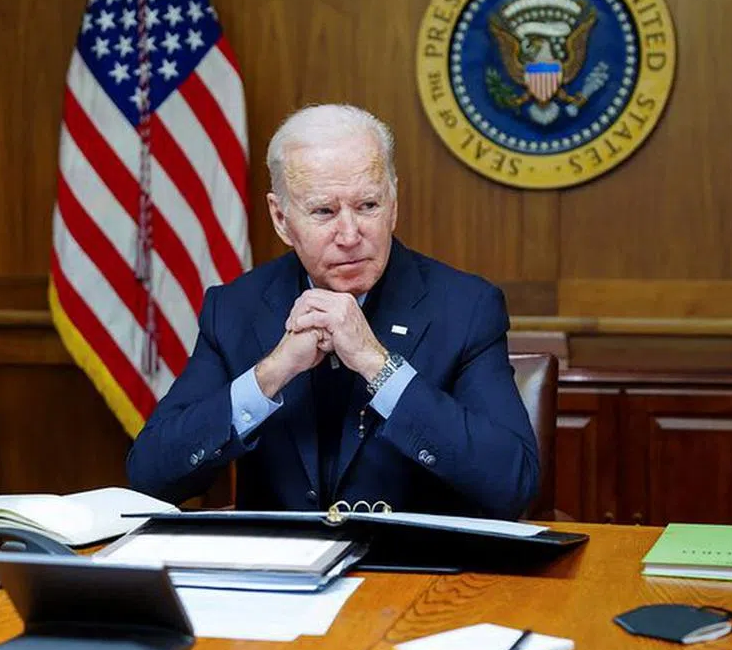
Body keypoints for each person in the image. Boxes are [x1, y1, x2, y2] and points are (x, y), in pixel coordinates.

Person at [126, 104, 539, 519]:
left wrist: (378, 365)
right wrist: (271, 373)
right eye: (324, 211)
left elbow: (512, 483)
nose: (349, 235)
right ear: (281, 218)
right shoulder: (235, 308)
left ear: (393, 203)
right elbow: (150, 476)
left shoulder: (465, 307)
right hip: (282, 574)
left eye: (368, 206)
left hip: (416, 572)